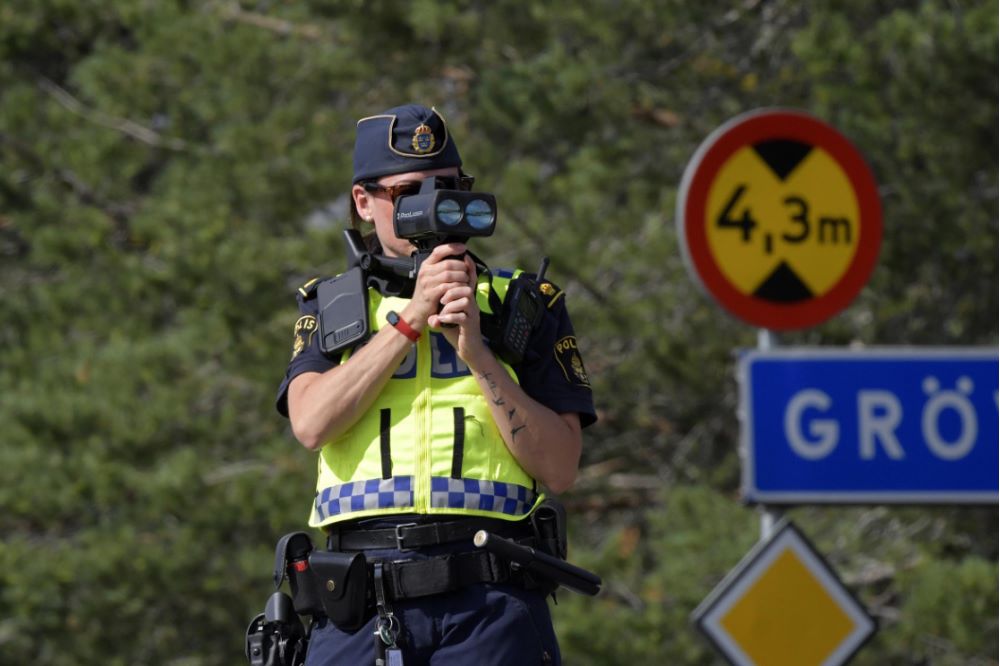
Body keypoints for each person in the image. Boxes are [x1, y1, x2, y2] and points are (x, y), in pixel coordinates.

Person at [275, 104, 596, 666]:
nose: (429, 209)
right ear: (362, 202)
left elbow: (561, 467)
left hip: (490, 607)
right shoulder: (333, 306)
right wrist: (408, 322)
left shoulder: (524, 306)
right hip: (361, 608)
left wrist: (479, 355)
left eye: (446, 190)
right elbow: (311, 424)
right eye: (406, 193)